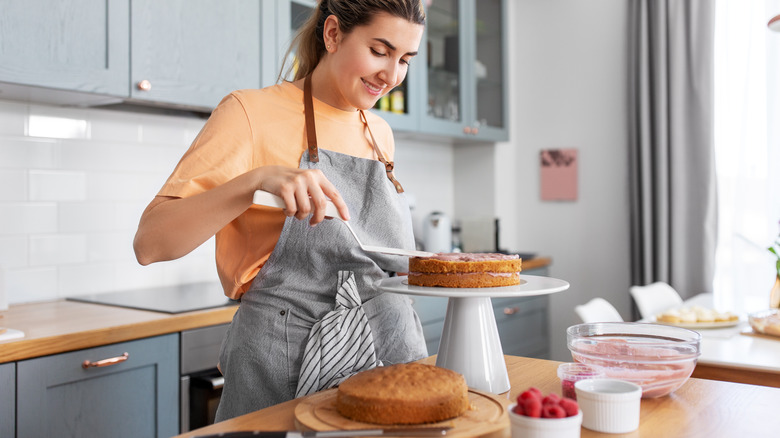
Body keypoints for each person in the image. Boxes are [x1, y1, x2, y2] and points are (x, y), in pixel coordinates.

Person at [133, 0, 428, 421]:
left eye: (405, 60)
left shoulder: (378, 130)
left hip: (386, 352)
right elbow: (150, 243)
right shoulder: (249, 112)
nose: (392, 75)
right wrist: (255, 180)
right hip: (283, 359)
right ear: (332, 34)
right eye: (380, 51)